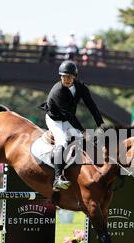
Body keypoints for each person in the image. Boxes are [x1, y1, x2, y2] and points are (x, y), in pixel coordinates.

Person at [39, 60, 105, 191]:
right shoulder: (57, 91)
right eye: (64, 76)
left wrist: (101, 123)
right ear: (60, 76)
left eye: (69, 77)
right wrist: (83, 130)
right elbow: (69, 115)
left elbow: (91, 106)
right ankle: (57, 178)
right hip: (55, 120)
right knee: (62, 141)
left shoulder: (80, 87)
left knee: (82, 141)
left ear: (74, 77)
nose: (66, 79)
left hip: (67, 119)